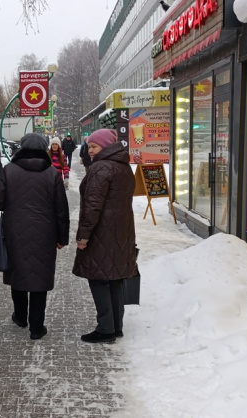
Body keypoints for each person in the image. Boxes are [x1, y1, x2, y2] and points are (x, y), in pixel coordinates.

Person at [0, 133, 70, 340]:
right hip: (45, 232)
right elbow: (61, 208)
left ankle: (20, 317)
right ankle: (37, 327)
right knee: (39, 277)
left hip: (14, 231)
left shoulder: (9, 170)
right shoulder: (52, 173)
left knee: (18, 273)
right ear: (44, 149)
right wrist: (62, 237)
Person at [72, 128, 138, 344]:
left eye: (94, 146)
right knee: (115, 279)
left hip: (102, 233)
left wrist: (83, 236)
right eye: (89, 146)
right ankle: (116, 326)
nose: (90, 150)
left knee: (99, 279)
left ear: (106, 147)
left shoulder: (101, 168)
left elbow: (92, 207)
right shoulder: (123, 167)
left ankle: (105, 328)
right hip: (121, 232)